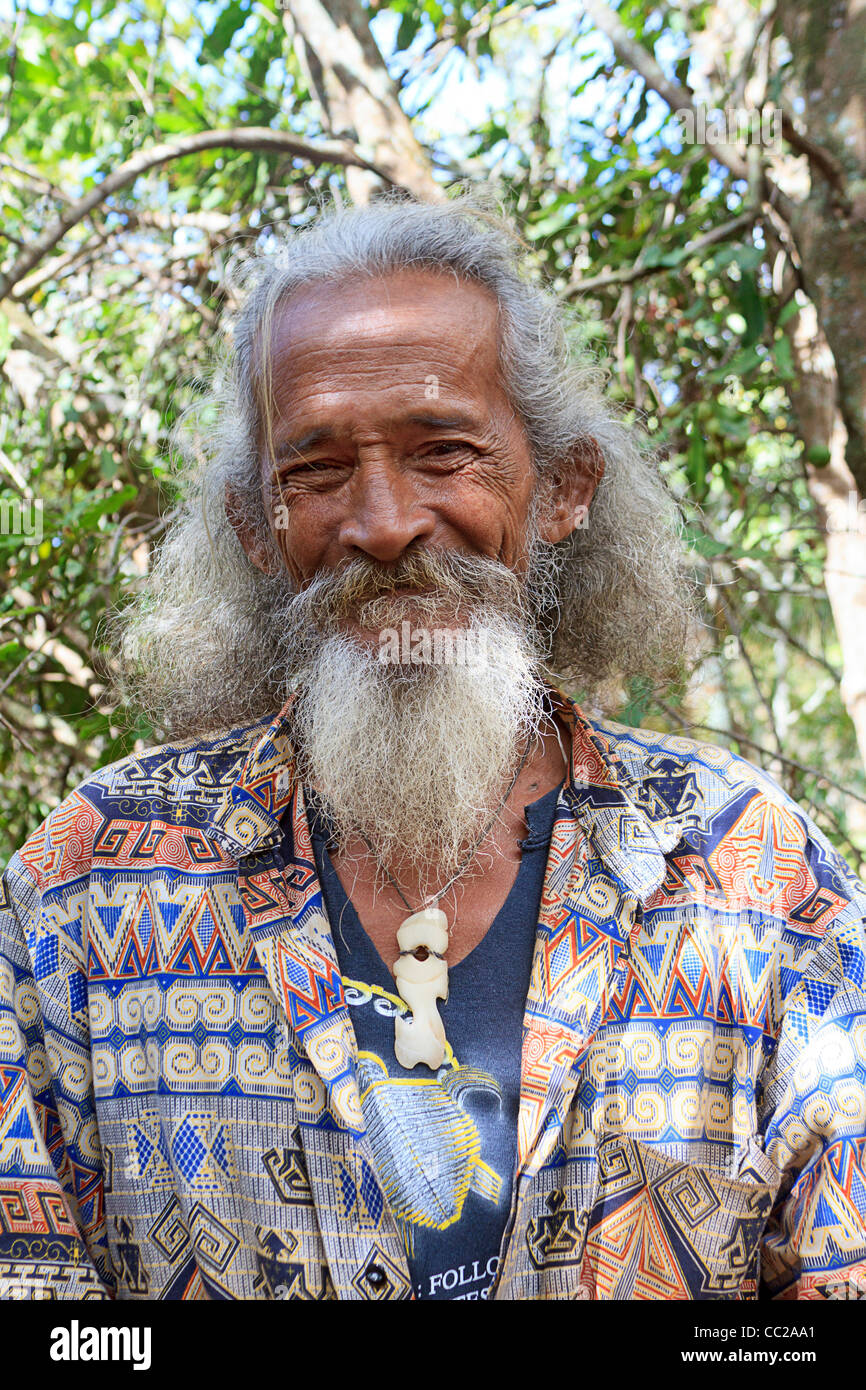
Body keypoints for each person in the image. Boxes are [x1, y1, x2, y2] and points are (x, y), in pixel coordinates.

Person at [1, 195, 864, 1303]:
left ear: (560, 489)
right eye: (313, 471)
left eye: (443, 452)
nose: (382, 523)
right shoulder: (86, 884)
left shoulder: (747, 867)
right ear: (256, 528)